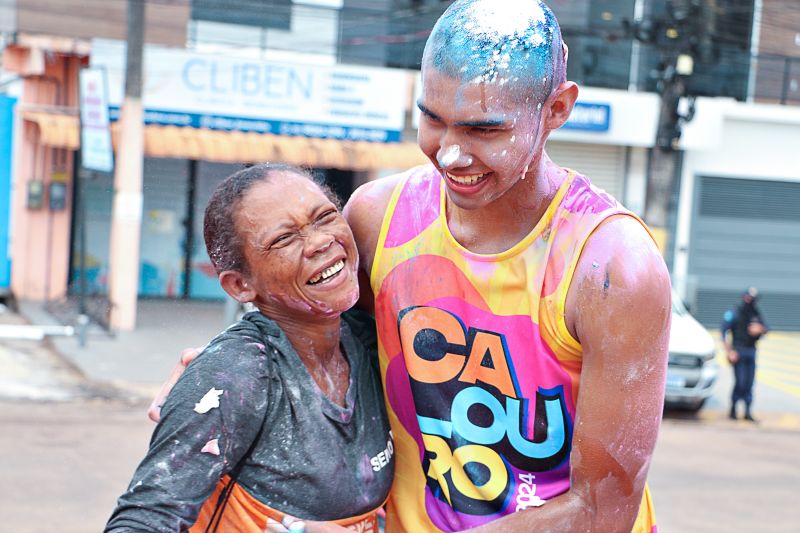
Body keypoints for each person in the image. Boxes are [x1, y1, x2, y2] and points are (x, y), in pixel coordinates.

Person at [153, 1, 671, 531]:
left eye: (483, 130)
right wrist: (225, 372)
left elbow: (602, 510)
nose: (448, 154)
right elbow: (321, 339)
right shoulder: (379, 217)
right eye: (432, 119)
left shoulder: (611, 267)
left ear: (556, 109)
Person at [107, 163, 393, 532]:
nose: (321, 241)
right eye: (284, 239)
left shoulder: (371, 343)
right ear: (240, 285)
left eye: (325, 217)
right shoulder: (236, 375)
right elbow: (140, 523)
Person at [722, 287, 768, 422]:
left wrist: (760, 329)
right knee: (740, 381)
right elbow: (723, 332)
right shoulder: (735, 312)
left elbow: (766, 328)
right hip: (738, 351)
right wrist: (729, 351)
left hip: (751, 351)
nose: (750, 301)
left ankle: (747, 411)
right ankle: (733, 409)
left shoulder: (756, 313)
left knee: (749, 382)